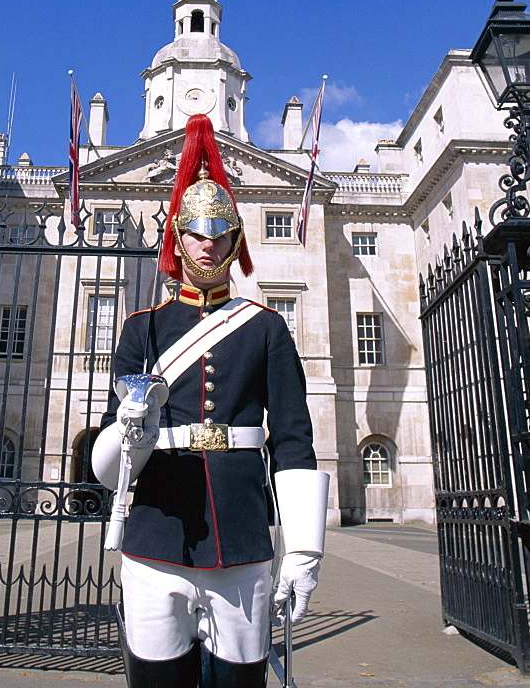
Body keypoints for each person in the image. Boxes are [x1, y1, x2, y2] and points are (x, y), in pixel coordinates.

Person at [92, 114, 329, 688]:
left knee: (239, 681)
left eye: (220, 232)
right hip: (156, 530)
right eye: (197, 232)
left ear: (235, 239)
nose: (208, 244)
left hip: (241, 533)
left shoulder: (266, 329)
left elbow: (293, 440)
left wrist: (303, 550)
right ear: (178, 238)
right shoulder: (141, 329)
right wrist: (131, 430)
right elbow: (105, 467)